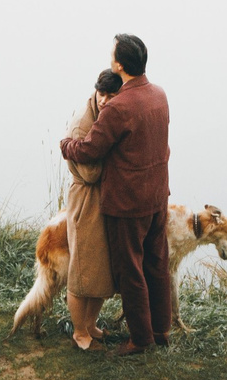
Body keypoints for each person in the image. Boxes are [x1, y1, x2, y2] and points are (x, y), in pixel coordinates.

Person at [58, 33, 171, 355]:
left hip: (129, 202)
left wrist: (66, 145)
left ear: (119, 64)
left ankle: (140, 338)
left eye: (112, 54)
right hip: (157, 195)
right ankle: (161, 329)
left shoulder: (118, 106)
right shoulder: (159, 94)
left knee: (130, 269)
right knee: (156, 263)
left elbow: (90, 149)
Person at [54, 70, 126, 349]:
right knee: (82, 269)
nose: (106, 100)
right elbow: (91, 174)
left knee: (101, 269)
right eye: (102, 94)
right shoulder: (82, 126)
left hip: (100, 200)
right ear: (95, 92)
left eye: (112, 95)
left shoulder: (104, 115)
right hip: (86, 200)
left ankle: (91, 325)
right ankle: (79, 333)